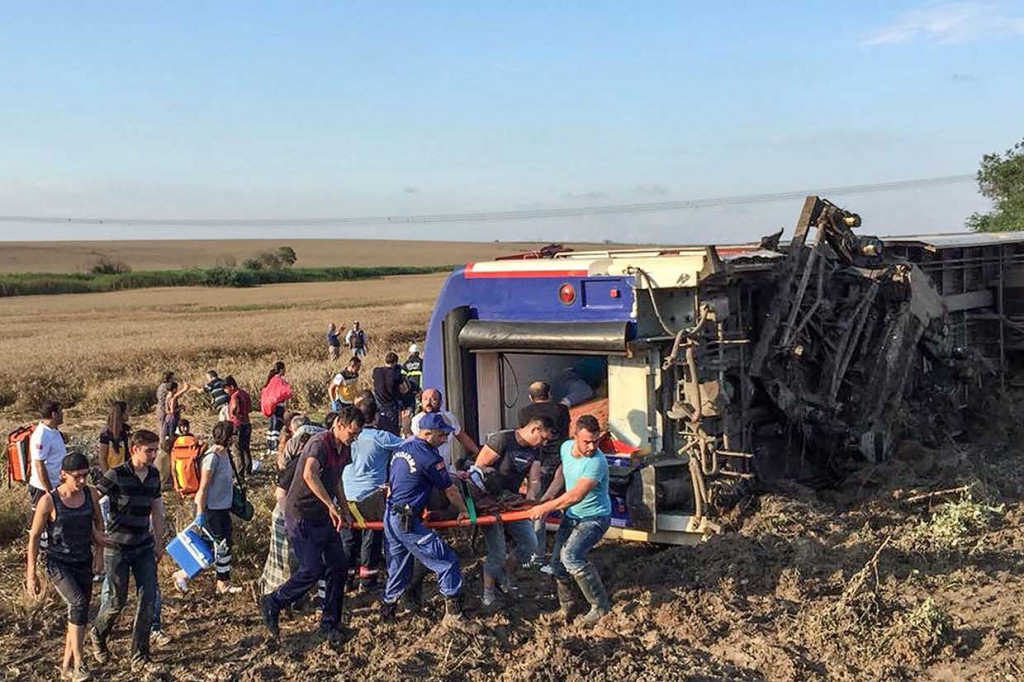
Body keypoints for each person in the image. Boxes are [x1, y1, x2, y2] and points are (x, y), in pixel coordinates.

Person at [260, 406, 365, 642]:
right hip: (302, 514)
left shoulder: (344, 448)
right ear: (339, 424)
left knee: (339, 567)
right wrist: (331, 506)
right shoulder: (319, 444)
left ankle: (330, 623)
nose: (354, 438)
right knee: (311, 568)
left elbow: (337, 480)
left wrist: (345, 510)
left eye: (357, 435)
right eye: (352, 433)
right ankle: (273, 601)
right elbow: (309, 475)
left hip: (324, 516)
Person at [379, 413, 473, 626]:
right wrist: (464, 511)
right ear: (427, 434)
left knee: (398, 566)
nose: (444, 440)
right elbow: (449, 490)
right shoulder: (430, 457)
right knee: (447, 560)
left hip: (391, 514)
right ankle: (454, 614)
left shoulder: (402, 449)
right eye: (440, 436)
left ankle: (387, 611)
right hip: (407, 521)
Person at [26, 452, 107, 682]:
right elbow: (33, 537)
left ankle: (66, 667)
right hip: (58, 562)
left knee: (79, 614)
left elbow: (98, 524)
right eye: (77, 477)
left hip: (83, 560)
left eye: (85, 475)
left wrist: (99, 554)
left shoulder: (90, 494)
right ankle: (80, 663)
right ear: (63, 475)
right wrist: (31, 574)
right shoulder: (49, 501)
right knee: (78, 604)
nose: (82, 481)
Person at [91, 430, 165, 669]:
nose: (154, 454)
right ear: (135, 450)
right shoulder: (117, 475)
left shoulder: (153, 475)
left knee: (148, 599)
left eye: (155, 449)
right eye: (149, 450)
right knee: (115, 601)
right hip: (117, 547)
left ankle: (140, 656)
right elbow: (93, 498)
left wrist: (159, 541)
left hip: (143, 545)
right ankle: (98, 634)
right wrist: (96, 532)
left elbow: (157, 509)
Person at [529, 415, 612, 625]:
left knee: (571, 556)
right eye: (587, 442)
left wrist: (545, 507)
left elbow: (575, 495)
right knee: (557, 564)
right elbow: (562, 473)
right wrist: (548, 495)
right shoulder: (566, 448)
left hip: (594, 518)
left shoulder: (597, 462)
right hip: (572, 516)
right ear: (575, 437)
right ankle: (567, 606)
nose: (592, 446)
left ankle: (600, 606)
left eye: (596, 441)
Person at [473, 416, 554, 606]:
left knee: (529, 544)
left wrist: (532, 499)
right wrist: (491, 493)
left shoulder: (535, 451)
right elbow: (477, 470)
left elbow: (534, 479)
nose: (544, 443)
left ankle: (504, 574)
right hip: (489, 503)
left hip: (512, 501)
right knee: (498, 552)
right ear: (534, 430)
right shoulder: (502, 440)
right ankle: (488, 593)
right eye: (543, 438)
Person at [172, 422, 241, 595]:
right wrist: (200, 514)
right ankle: (187, 575)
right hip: (211, 510)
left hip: (223, 508)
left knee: (222, 545)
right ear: (228, 437)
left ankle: (220, 581)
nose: (236, 437)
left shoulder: (226, 454)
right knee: (218, 546)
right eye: (234, 434)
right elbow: (203, 488)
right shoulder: (212, 457)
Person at [341, 400, 404, 592]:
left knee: (348, 538)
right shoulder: (381, 437)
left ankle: (345, 579)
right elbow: (409, 446)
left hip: (345, 495)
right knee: (372, 535)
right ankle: (367, 581)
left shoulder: (347, 436)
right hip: (370, 497)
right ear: (376, 417)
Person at [518, 381, 572, 558]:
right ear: (549, 394)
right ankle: (568, 547)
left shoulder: (523, 413)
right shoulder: (561, 410)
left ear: (530, 397)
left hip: (537, 464)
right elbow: (566, 433)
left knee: (538, 508)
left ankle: (537, 553)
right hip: (560, 461)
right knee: (567, 504)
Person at [409, 389, 479, 471]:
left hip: (444, 467)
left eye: (433, 399)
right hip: (425, 467)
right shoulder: (417, 420)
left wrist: (477, 453)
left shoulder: (449, 417)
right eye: (425, 399)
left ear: (440, 402)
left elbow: (461, 435)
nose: (429, 402)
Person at [28, 401, 68, 544]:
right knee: (39, 523)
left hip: (56, 484)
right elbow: (39, 465)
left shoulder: (54, 431)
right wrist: (48, 490)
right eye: (61, 412)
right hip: (42, 487)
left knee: (53, 520)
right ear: (54, 414)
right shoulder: (41, 435)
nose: (63, 415)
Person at [223, 376, 252, 483]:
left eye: (226, 389)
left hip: (237, 424)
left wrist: (233, 414)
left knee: (237, 450)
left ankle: (240, 476)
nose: (226, 391)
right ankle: (248, 471)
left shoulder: (235, 396)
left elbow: (234, 408)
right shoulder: (244, 393)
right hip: (247, 423)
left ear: (231, 386)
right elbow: (250, 408)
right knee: (246, 448)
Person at [260, 361, 292, 456]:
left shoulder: (271, 380)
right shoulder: (280, 381)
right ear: (281, 369)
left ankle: (269, 447)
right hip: (278, 406)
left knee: (271, 427)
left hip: (270, 406)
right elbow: (288, 392)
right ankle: (274, 448)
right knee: (276, 427)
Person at [372, 352, 404, 435]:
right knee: (393, 430)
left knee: (381, 429)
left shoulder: (376, 371)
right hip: (391, 406)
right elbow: (403, 389)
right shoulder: (396, 374)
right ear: (395, 362)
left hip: (379, 404)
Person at [98, 401, 131, 473]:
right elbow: (102, 458)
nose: (129, 414)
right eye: (127, 411)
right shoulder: (106, 434)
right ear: (121, 414)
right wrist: (107, 477)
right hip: (112, 472)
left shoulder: (126, 431)